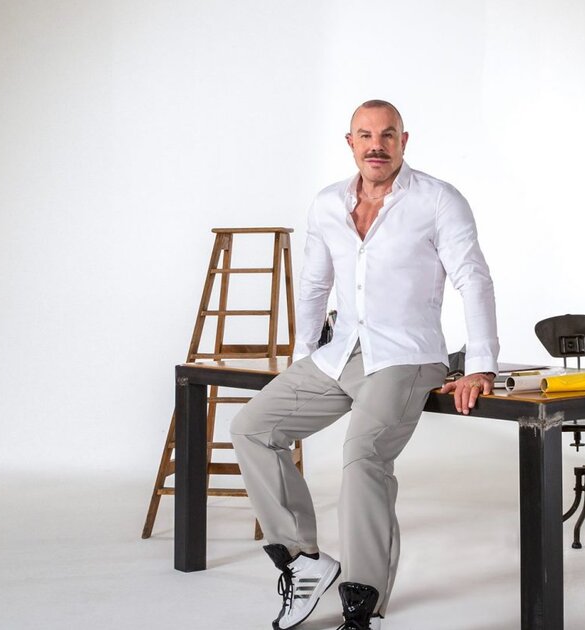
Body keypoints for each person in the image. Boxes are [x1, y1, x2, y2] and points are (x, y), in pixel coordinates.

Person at [230, 99, 499, 630]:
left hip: (407, 356)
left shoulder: (438, 200)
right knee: (251, 428)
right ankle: (303, 562)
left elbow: (473, 278)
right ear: (350, 142)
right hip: (339, 354)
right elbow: (314, 284)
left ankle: (362, 603)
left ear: (404, 141)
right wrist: (304, 358)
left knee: (363, 455)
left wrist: (481, 365)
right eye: (366, 135)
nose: (377, 145)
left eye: (388, 135)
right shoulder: (328, 203)